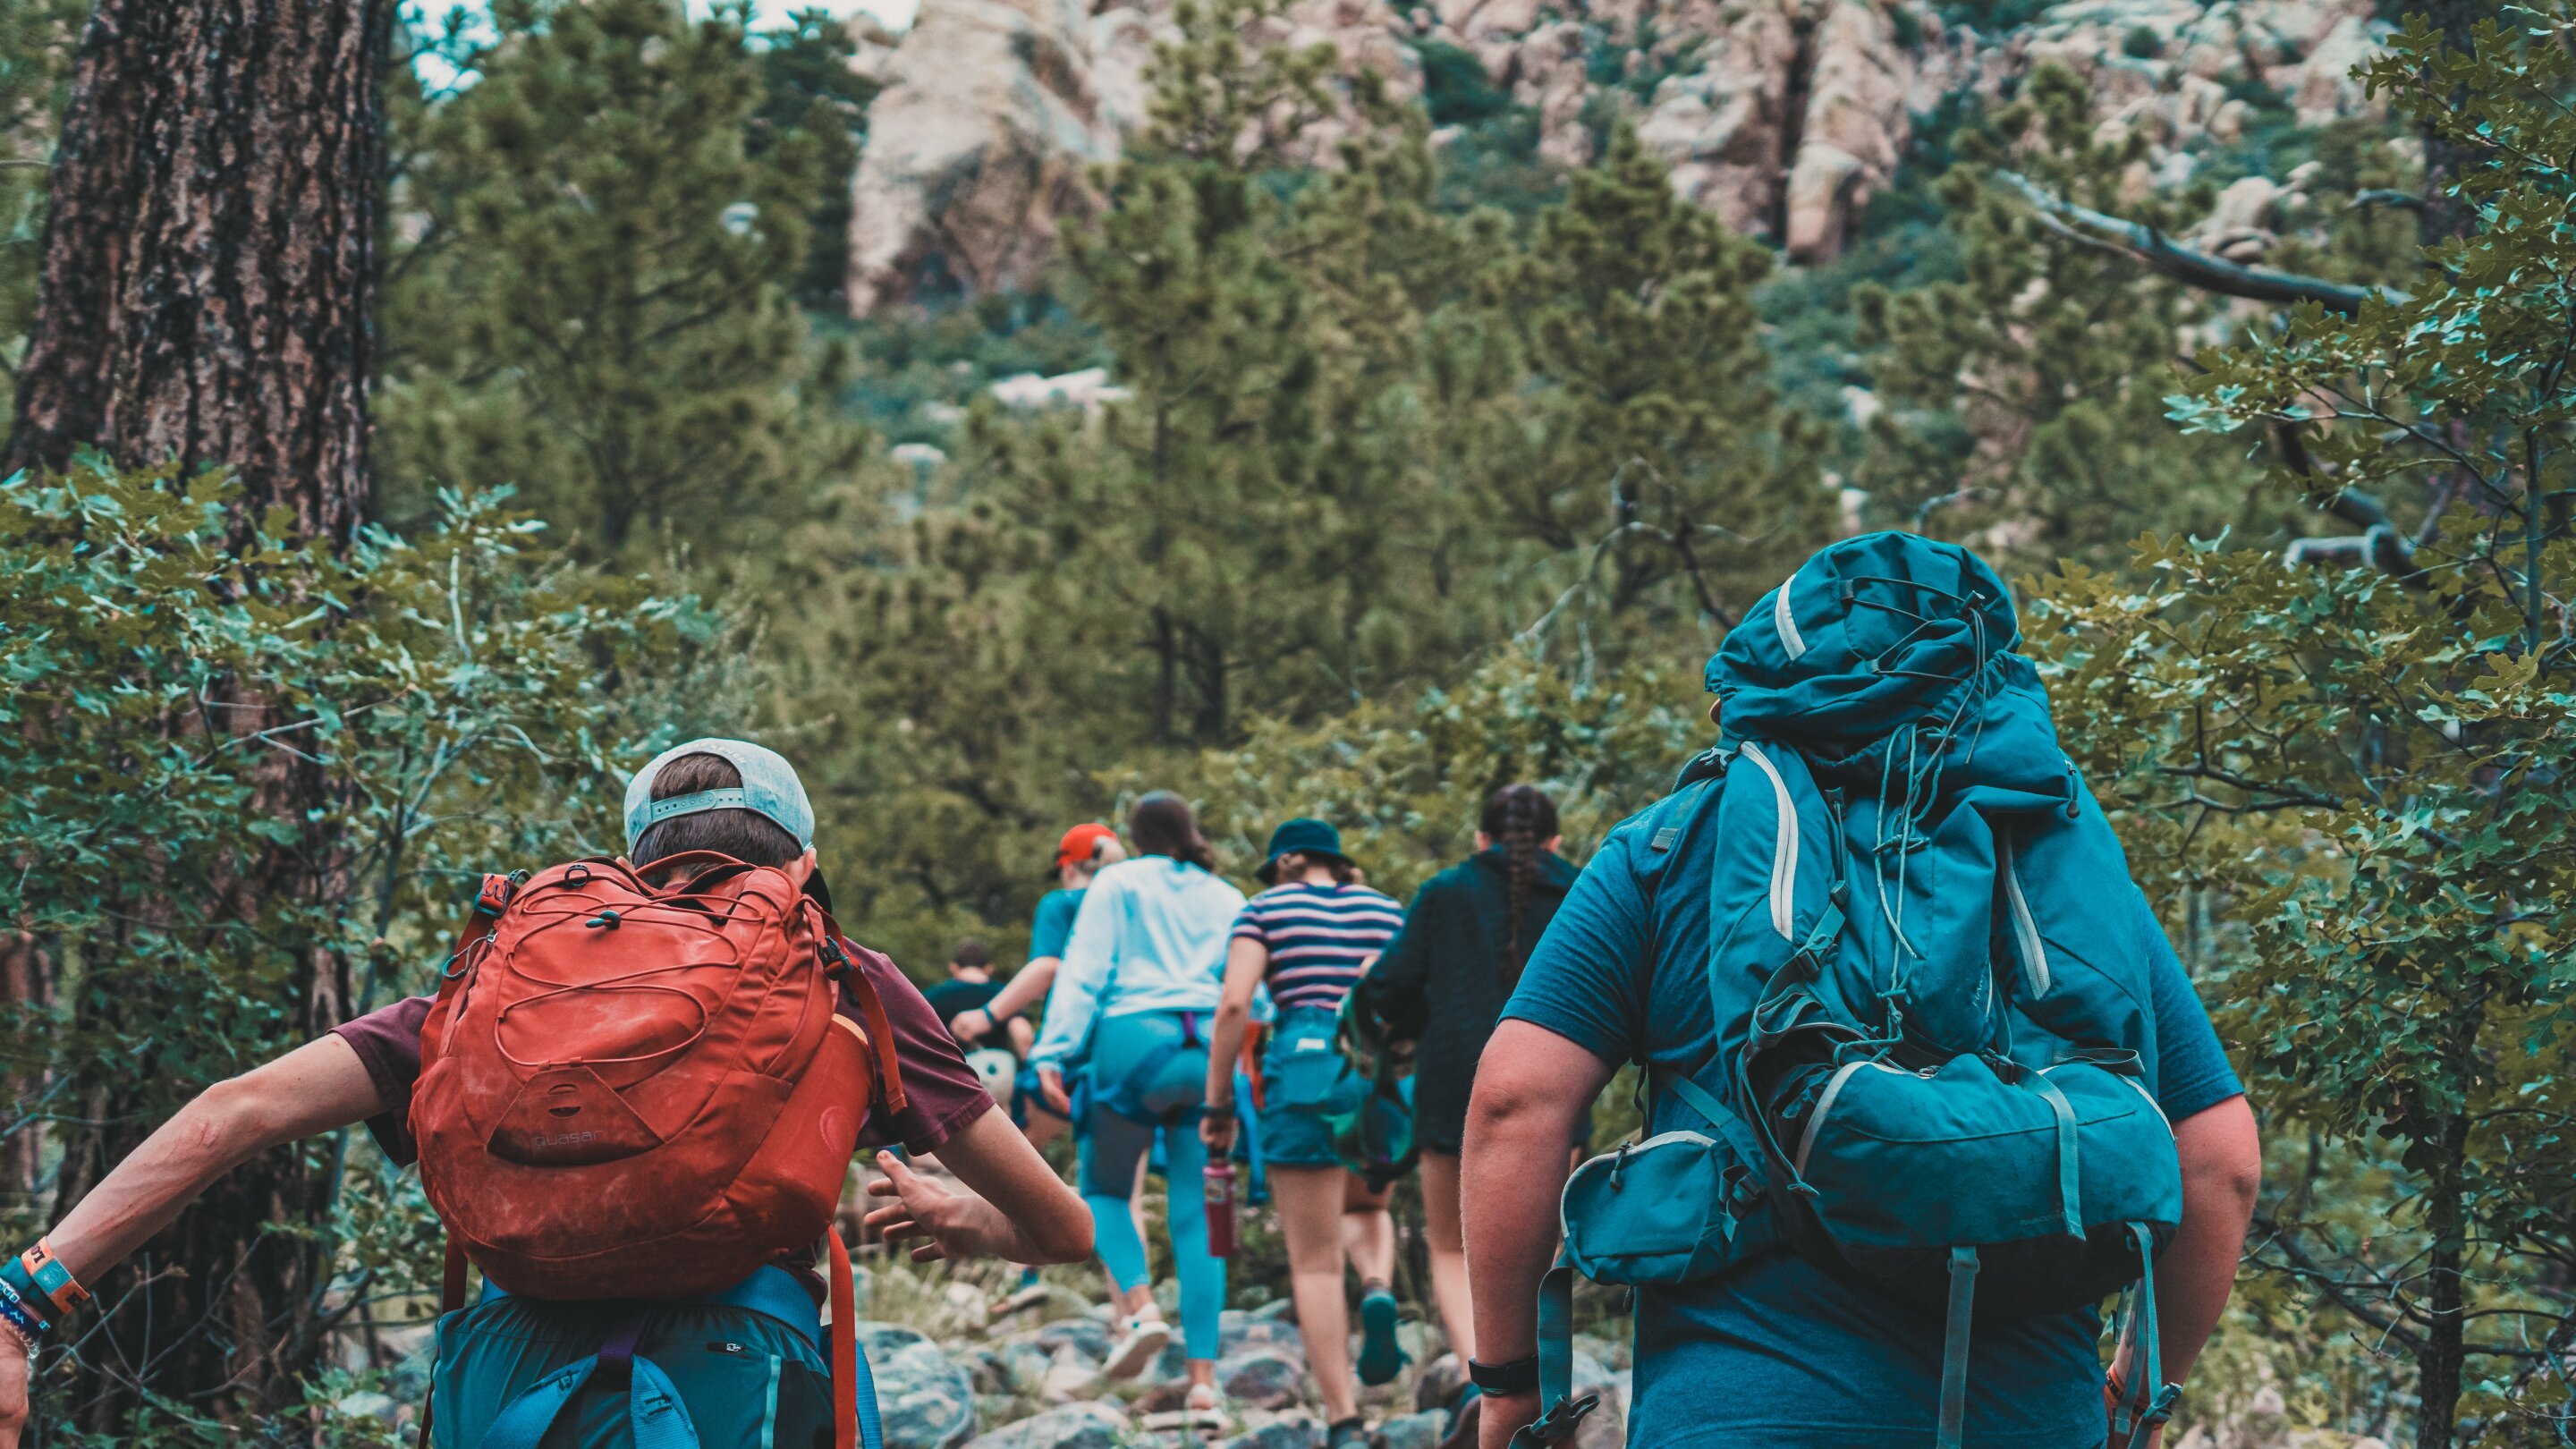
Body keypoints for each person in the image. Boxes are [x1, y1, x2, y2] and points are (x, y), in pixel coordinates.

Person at [0, 741, 1092, 1449]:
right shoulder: (840, 974)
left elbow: (230, 1113)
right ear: (801, 857)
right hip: (733, 1369)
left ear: (632, 860)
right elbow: (1065, 1228)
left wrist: (22, 1307)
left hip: (514, 1373)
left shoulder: (510, 976)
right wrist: (973, 1224)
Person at [1462, 760, 2262, 1441]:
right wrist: (2136, 1397)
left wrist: (1512, 1385)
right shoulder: (2061, 878)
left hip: (1740, 1414)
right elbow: (2220, 1162)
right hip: (2032, 1416)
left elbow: (1515, 1103)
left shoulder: (1670, 846)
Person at [1026, 793, 1243, 1419]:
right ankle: (1204, 1385)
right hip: (1206, 1047)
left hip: (1133, 1042)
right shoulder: (1226, 895)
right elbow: (1248, 992)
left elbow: (1085, 971)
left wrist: (1053, 1050)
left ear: (1133, 835)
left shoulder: (1117, 883)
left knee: (1107, 1191)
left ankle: (1142, 1309)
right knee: (1198, 1216)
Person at [1353, 784, 1573, 1377]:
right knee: (1541, 1252)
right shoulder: (1584, 890)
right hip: (1562, 1085)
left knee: (1452, 1248)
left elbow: (1389, 989)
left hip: (1456, 1083)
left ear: (1480, 840)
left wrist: (1371, 974)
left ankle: (1488, 1387)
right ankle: (1540, 1376)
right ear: (1556, 842)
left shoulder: (1445, 893)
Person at [1204, 818, 1409, 1449]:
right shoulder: (1387, 911)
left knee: (1315, 1265)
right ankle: (1377, 1287)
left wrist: (1218, 1105)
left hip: (1303, 1064)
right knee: (1369, 1205)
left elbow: (1236, 1003)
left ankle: (1345, 1421)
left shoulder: (1265, 909)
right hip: (1379, 1072)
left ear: (1291, 860)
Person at [953, 823, 1127, 1150]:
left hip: (1077, 1042)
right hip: (1129, 1034)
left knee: (1025, 1146)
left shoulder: (1061, 903)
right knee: (1118, 1157)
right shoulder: (1130, 906)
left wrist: (988, 1015)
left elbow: (1049, 967)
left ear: (1070, 866)